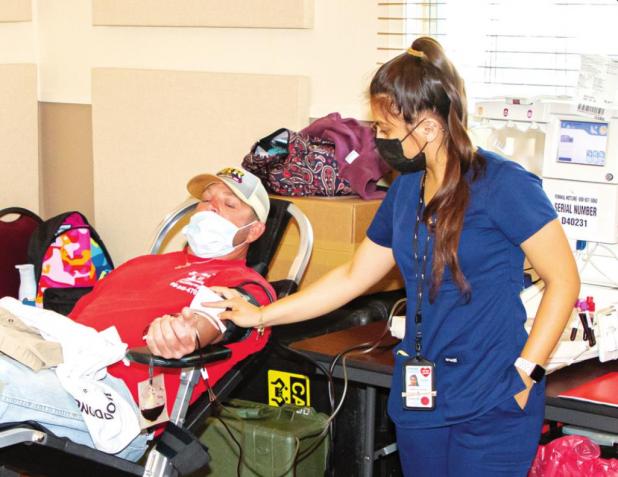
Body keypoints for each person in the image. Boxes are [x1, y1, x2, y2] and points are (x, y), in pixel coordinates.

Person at [208, 38, 580, 476]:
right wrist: (261, 315)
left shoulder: (505, 185)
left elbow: (563, 280)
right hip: (422, 394)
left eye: (385, 130)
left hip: (492, 395)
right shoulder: (406, 191)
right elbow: (351, 276)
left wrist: (526, 373)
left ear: (426, 127)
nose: (377, 140)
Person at [0, 166, 275, 461]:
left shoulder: (244, 286)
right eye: (207, 200)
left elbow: (216, 319)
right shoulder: (141, 264)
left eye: (230, 204)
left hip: (115, 403)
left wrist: (186, 334)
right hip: (57, 363)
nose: (212, 209)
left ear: (254, 230)